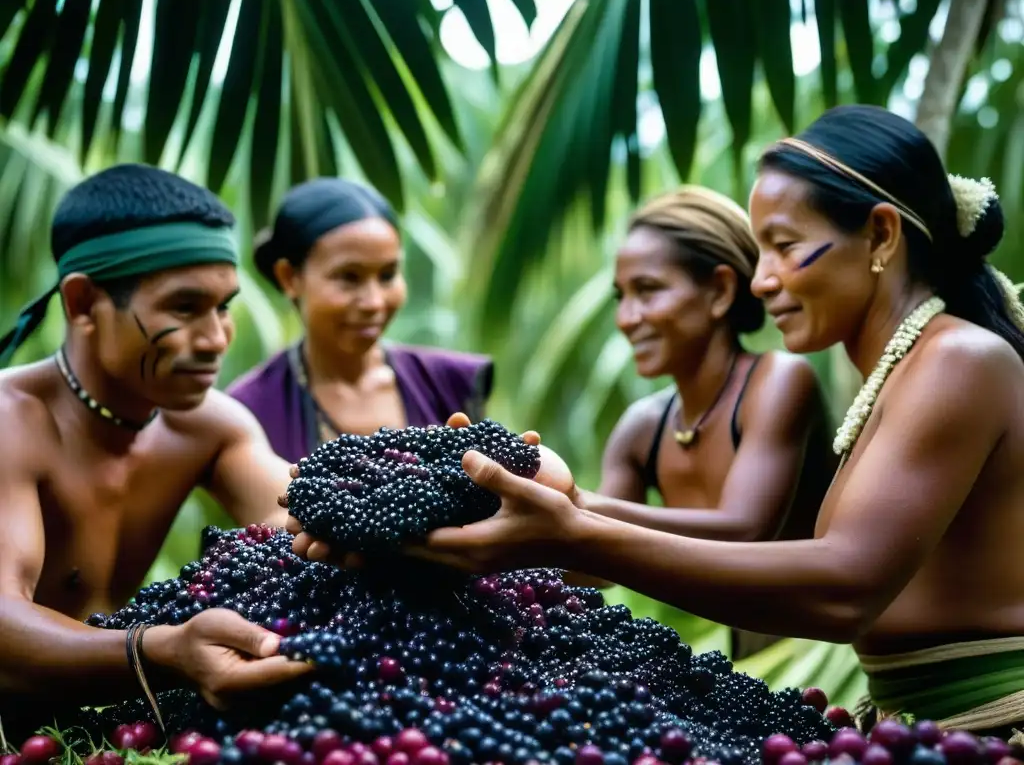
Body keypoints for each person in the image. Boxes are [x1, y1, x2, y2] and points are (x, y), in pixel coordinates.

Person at [295, 105, 1024, 740]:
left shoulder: (956, 359)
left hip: (992, 723)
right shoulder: (906, 372)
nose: (763, 278)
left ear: (882, 236)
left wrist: (578, 530)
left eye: (785, 245)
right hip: (910, 723)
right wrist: (551, 504)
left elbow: (845, 585)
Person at [0, 164, 311, 739]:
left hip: (100, 732)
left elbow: (302, 516)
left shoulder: (207, 426)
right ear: (84, 303)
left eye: (224, 307)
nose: (218, 338)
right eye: (186, 307)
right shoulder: (10, 422)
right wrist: (164, 651)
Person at [591, 185, 836, 659]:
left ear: (721, 291)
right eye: (621, 296)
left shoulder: (779, 381)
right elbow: (596, 565)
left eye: (648, 290)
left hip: (828, 657)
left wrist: (576, 507)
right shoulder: (642, 428)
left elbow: (744, 531)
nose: (626, 318)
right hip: (750, 668)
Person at [227, 178, 494, 464]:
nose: (374, 302)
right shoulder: (250, 408)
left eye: (388, 275)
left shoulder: (449, 383)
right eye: (349, 277)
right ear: (290, 278)